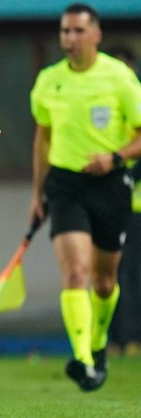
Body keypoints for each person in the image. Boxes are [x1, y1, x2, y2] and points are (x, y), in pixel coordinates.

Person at [29, 3, 141, 392]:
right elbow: (42, 137)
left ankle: (97, 345)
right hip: (65, 185)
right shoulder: (48, 81)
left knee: (105, 282)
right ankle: (82, 359)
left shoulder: (120, 78)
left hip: (110, 185)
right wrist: (37, 192)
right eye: (64, 32)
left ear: (96, 35)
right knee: (75, 272)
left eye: (77, 31)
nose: (69, 39)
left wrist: (115, 157)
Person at [108, 46, 141, 354]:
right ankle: (116, 339)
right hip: (112, 204)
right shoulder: (107, 106)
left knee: (132, 273)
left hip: (135, 204)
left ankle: (132, 339)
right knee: (110, 272)